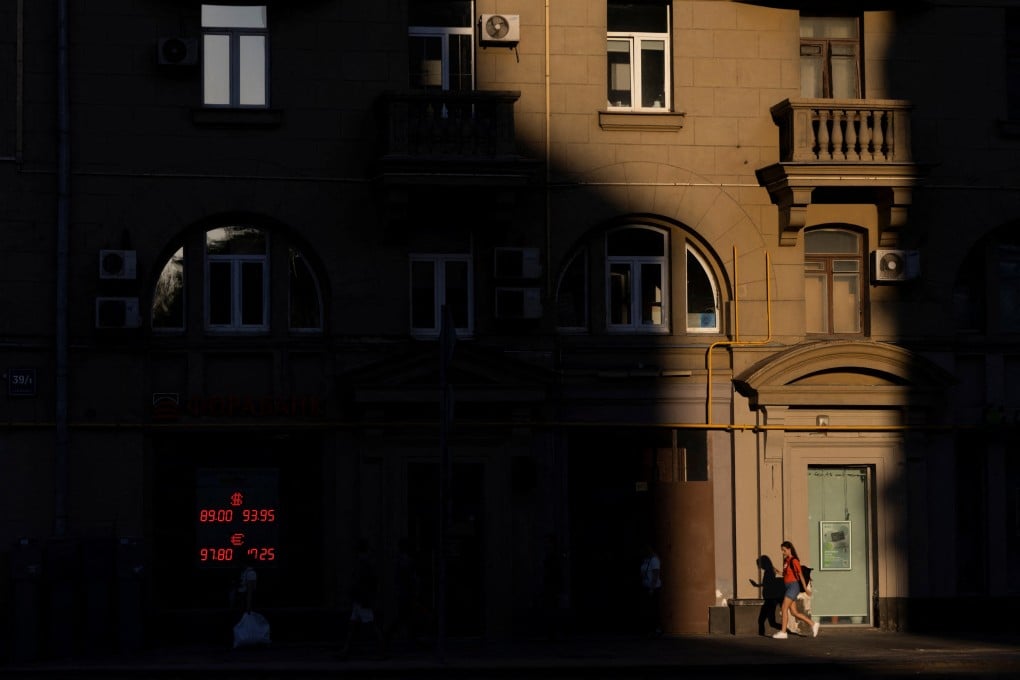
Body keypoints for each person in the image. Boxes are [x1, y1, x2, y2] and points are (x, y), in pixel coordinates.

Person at [338, 538, 386, 659]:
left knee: (369, 625)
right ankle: (346, 651)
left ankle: (382, 650)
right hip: (361, 598)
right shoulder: (366, 563)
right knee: (354, 625)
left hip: (362, 598)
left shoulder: (363, 563)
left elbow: (361, 582)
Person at [772, 540, 819, 639]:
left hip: (793, 587)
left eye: (784, 550)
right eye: (782, 550)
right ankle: (813, 624)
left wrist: (805, 589)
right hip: (788, 586)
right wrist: (777, 571)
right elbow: (786, 574)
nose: (783, 552)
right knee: (794, 612)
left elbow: (800, 575)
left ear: (789, 549)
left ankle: (783, 632)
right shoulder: (786, 561)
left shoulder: (794, 560)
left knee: (784, 608)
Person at [385, 537, 420, 649]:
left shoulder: (401, 559)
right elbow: (408, 576)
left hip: (403, 592)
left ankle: (413, 638)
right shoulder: (405, 559)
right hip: (406, 593)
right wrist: (414, 586)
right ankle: (388, 636)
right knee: (404, 617)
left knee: (408, 616)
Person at [749, 554, 783, 635]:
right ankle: (785, 630)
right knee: (770, 622)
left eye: (759, 565)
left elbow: (769, 584)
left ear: (764, 563)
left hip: (770, 599)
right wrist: (757, 585)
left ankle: (785, 630)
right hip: (770, 599)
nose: (759, 567)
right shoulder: (770, 571)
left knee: (763, 620)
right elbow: (767, 583)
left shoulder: (769, 572)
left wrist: (757, 585)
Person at [639, 544, 662, 638]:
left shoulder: (654, 560)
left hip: (653, 588)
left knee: (652, 609)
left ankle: (656, 629)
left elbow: (656, 575)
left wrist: (652, 588)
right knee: (647, 609)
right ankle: (649, 629)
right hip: (646, 586)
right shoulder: (646, 560)